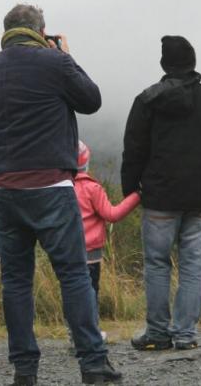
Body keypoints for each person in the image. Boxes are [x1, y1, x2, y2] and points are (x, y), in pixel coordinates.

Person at [0, 4, 122, 386]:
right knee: (73, 275)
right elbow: (91, 100)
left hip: (1, 188)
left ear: (6, 31)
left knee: (16, 281)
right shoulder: (55, 64)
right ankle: (92, 364)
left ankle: (25, 370)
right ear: (41, 32)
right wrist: (65, 56)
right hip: (51, 186)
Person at [120, 35, 201, 351]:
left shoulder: (147, 100)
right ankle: (185, 335)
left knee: (157, 264)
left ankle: (157, 334)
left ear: (164, 65)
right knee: (193, 267)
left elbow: (133, 149)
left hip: (159, 196)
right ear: (193, 63)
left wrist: (130, 190)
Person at [72, 140, 140, 342]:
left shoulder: (62, 187)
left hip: (67, 249)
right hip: (91, 252)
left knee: (72, 290)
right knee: (91, 292)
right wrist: (137, 196)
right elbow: (112, 214)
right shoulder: (92, 189)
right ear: (86, 163)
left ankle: (74, 332)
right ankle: (90, 333)